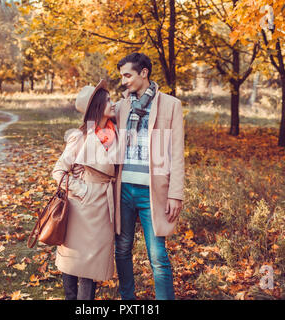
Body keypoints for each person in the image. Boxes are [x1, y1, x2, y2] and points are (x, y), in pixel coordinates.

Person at [114, 52, 185, 300]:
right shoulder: (121, 107)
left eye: (127, 75)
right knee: (122, 250)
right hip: (123, 190)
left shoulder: (170, 105)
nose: (124, 81)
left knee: (157, 255)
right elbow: (95, 122)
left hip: (152, 193)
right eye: (122, 76)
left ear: (143, 73)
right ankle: (128, 300)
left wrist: (175, 194)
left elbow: (176, 153)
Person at [51, 79, 118, 300]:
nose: (112, 102)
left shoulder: (114, 134)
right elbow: (58, 171)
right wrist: (83, 190)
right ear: (97, 105)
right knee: (74, 259)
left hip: (104, 207)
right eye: (107, 99)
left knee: (91, 263)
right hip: (82, 207)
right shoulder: (80, 137)